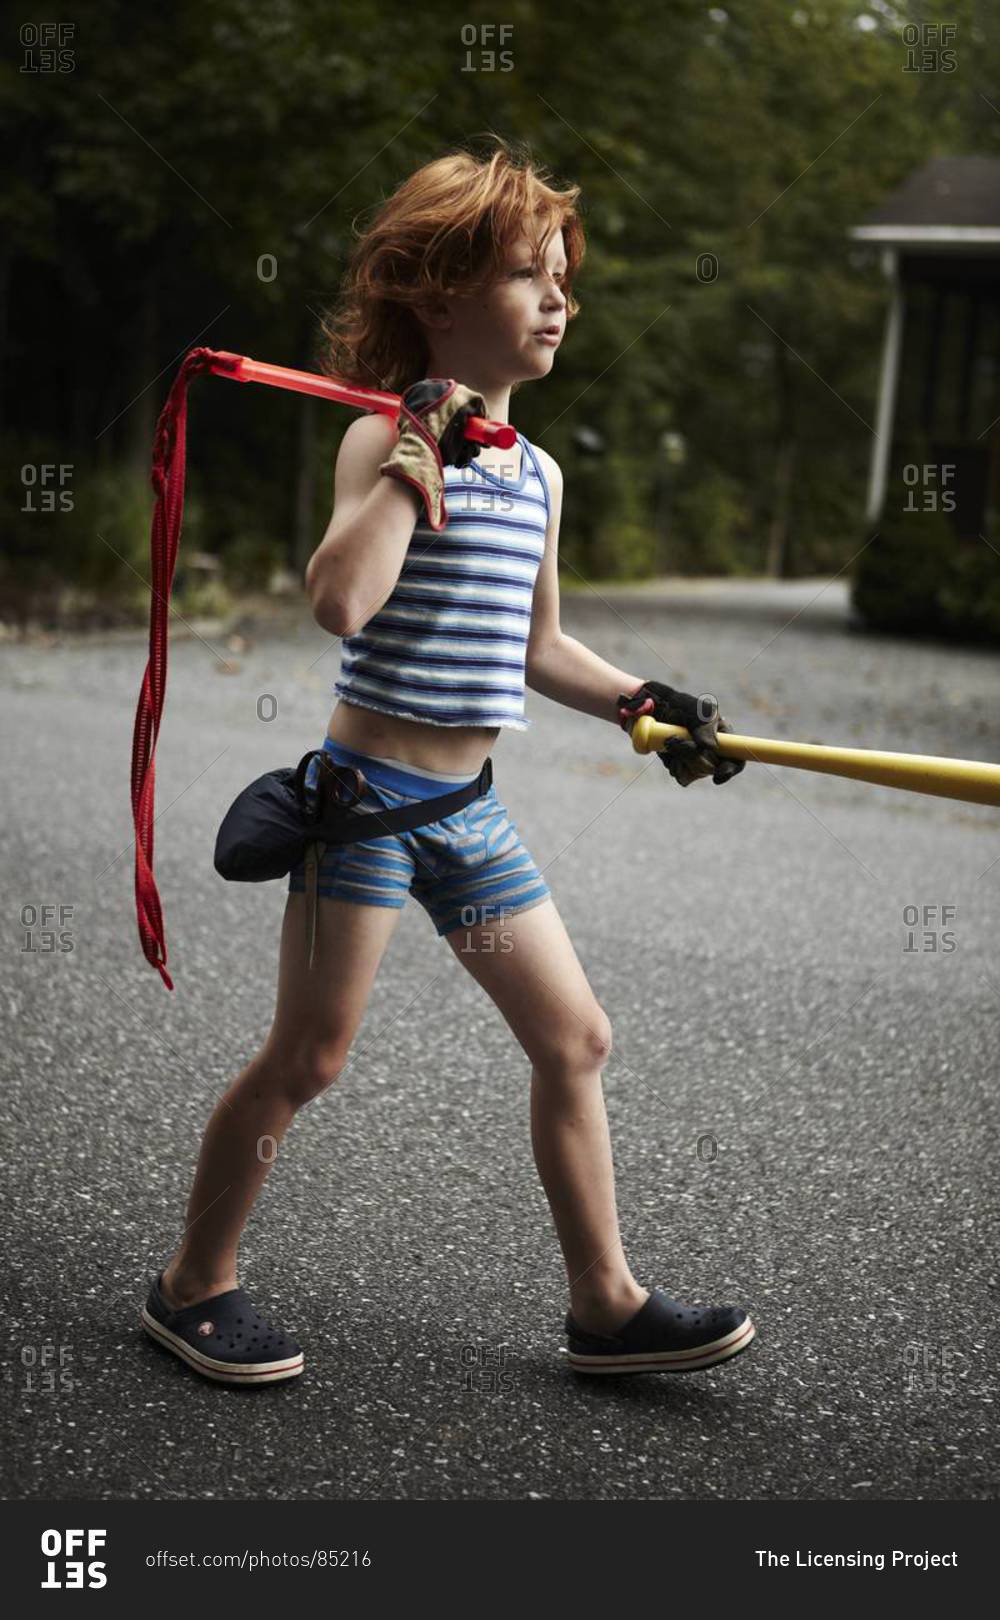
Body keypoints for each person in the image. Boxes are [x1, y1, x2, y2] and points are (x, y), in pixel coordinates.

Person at [141, 136, 755, 1386]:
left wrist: (647, 701)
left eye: (562, 279)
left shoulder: (538, 473)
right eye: (529, 276)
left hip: (466, 814)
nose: (558, 300)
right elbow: (338, 603)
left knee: (574, 1040)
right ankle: (190, 1286)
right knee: (309, 1058)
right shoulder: (380, 443)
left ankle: (605, 1303)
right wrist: (418, 457)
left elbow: (536, 648)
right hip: (363, 812)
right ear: (432, 296)